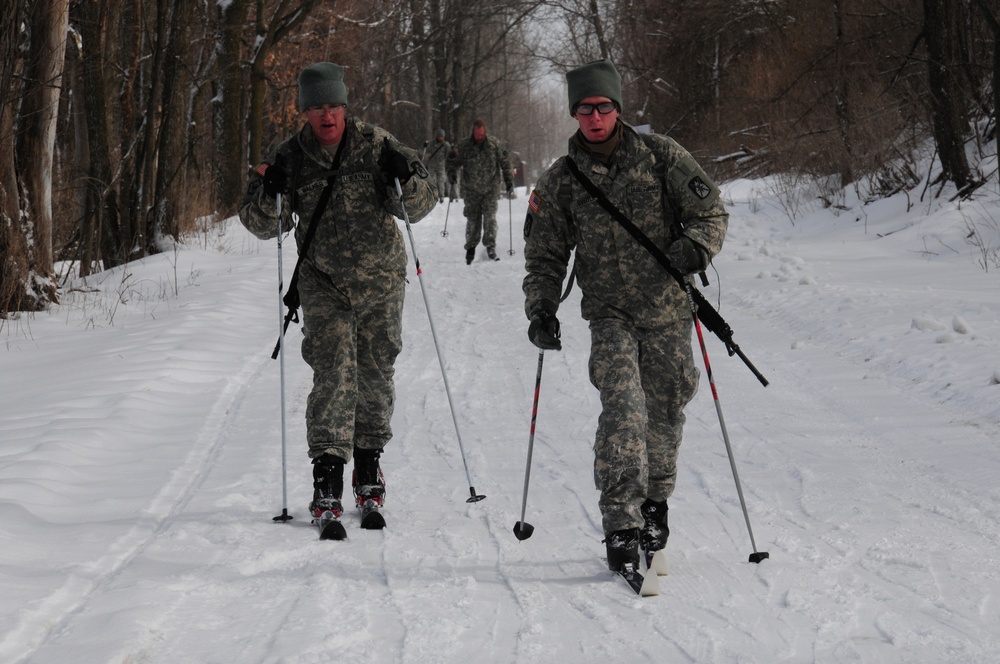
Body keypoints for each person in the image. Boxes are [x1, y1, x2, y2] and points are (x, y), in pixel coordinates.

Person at [521, 59, 729, 575]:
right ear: (575, 113)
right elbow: (545, 254)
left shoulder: (662, 157)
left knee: (665, 406)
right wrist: (542, 306)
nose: (595, 116)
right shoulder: (561, 181)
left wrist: (694, 250)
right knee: (624, 407)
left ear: (618, 108)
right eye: (585, 108)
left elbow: (711, 213)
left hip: (667, 310)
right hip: (609, 314)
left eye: (604, 106)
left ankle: (654, 504)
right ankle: (620, 521)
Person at [239, 62, 436, 531]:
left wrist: (405, 178)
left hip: (381, 281)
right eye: (316, 107)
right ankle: (327, 477)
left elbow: (421, 205)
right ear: (303, 111)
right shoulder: (289, 157)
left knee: (375, 371)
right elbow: (260, 225)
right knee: (332, 374)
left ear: (345, 106)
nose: (326, 115)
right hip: (323, 284)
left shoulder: (377, 144)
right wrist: (271, 193)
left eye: (333, 105)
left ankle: (368, 467)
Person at [452, 119, 514, 264]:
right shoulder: (464, 146)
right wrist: (452, 173)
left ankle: (490, 246)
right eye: (476, 135)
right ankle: (471, 247)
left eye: (481, 135)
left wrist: (509, 180)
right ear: (473, 132)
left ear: (484, 132)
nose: (479, 137)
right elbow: (453, 161)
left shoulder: (494, 145)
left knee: (490, 217)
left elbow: (506, 163)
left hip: (490, 189)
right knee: (473, 219)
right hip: (471, 190)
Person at [422, 128, 451, 203]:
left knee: (441, 181)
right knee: (432, 181)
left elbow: (449, 155)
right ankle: (433, 195)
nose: (441, 138)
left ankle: (441, 196)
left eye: (442, 136)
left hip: (441, 166)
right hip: (432, 165)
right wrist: (424, 146)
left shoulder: (446, 145)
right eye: (439, 136)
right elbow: (424, 152)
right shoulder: (431, 144)